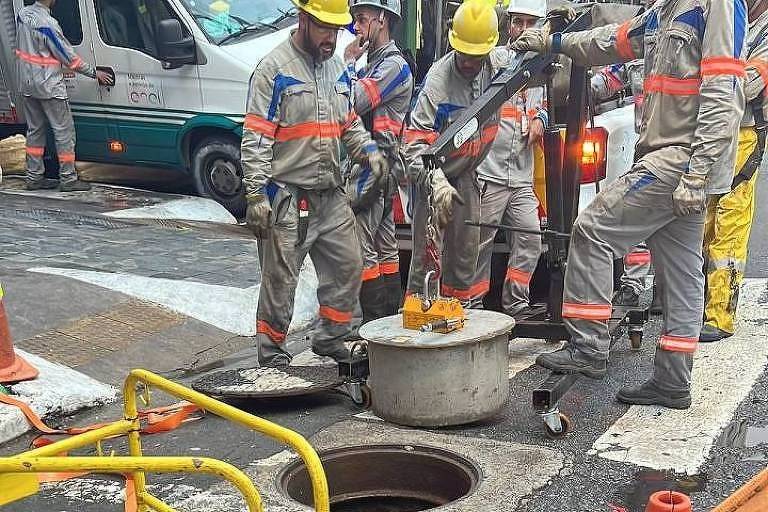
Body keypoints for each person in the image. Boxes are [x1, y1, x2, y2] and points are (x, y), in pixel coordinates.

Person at [512, 0, 748, 409]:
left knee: (592, 230)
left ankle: (588, 347)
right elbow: (609, 41)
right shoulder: (667, 10)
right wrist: (555, 41)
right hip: (677, 159)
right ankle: (672, 380)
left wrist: (698, 171)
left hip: (680, 158)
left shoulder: (717, 7)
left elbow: (722, 93)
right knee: (681, 270)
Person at [241, 0, 388, 365]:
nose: (331, 38)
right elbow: (257, 137)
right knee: (281, 281)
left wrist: (368, 151)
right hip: (289, 196)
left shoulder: (336, 68)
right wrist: (256, 194)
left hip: (331, 195)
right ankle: (272, 353)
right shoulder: (273, 70)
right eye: (324, 28)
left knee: (348, 267)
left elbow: (349, 123)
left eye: (337, 30)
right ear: (303, 20)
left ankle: (329, 339)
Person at [404, 0, 501, 303]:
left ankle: (460, 314)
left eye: (477, 56)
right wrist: (436, 183)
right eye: (465, 55)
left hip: (467, 176)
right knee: (426, 258)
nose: (470, 63)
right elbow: (412, 149)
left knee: (465, 255)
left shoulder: (496, 67)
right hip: (436, 178)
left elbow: (533, 69)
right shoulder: (438, 82)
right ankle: (419, 319)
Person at [472, 0, 546, 316]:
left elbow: (543, 104)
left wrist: (540, 118)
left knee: (530, 238)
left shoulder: (542, 70)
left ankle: (516, 303)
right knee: (477, 244)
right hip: (488, 174)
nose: (523, 30)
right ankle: (471, 304)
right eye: (518, 23)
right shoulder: (497, 59)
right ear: (509, 24)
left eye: (531, 24)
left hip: (520, 176)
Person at [343, 0, 414, 324]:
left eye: (361, 19)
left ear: (382, 18)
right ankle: (386, 324)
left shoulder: (392, 66)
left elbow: (352, 101)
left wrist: (346, 63)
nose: (356, 27)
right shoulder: (377, 62)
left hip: (375, 168)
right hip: (378, 168)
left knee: (362, 245)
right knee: (385, 246)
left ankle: (373, 325)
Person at [701, 0, 768, 342]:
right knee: (703, 220)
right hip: (715, 129)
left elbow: (750, 84)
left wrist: (705, 84)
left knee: (729, 223)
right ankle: (697, 305)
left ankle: (719, 316)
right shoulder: (730, 18)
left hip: (744, 133)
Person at [16, 0, 113, 191]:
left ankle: (34, 177)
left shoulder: (23, 15)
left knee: (35, 132)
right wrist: (94, 73)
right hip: (49, 86)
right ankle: (68, 179)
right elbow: (68, 56)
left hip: (27, 84)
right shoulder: (48, 24)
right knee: (63, 133)